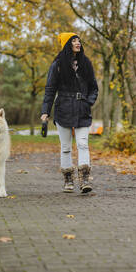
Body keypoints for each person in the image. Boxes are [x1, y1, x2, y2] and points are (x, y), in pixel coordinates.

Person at [40, 32, 98, 193]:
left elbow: (94, 87)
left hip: (82, 110)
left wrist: (89, 102)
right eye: (74, 41)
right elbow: (50, 90)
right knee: (66, 147)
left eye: (79, 40)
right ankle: (68, 179)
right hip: (63, 109)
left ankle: (85, 179)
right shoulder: (57, 65)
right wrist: (45, 111)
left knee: (83, 144)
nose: (78, 43)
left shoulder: (86, 63)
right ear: (67, 44)